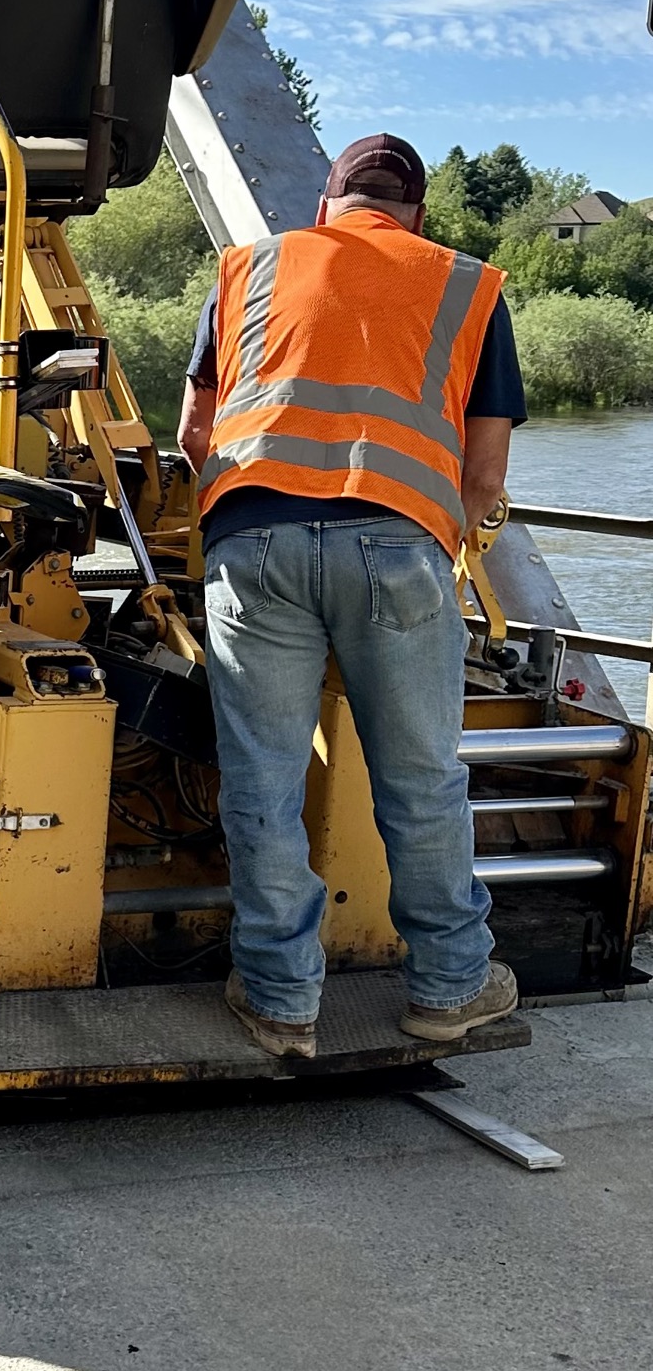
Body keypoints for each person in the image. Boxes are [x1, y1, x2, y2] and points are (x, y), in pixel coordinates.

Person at [177, 132, 527, 1062]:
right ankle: (451, 988)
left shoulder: (249, 268)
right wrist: (448, 545)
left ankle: (282, 1000)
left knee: (261, 783)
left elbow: (194, 432)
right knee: (421, 780)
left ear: (328, 205)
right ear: (414, 214)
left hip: (250, 544)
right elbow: (484, 472)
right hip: (397, 545)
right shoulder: (466, 284)